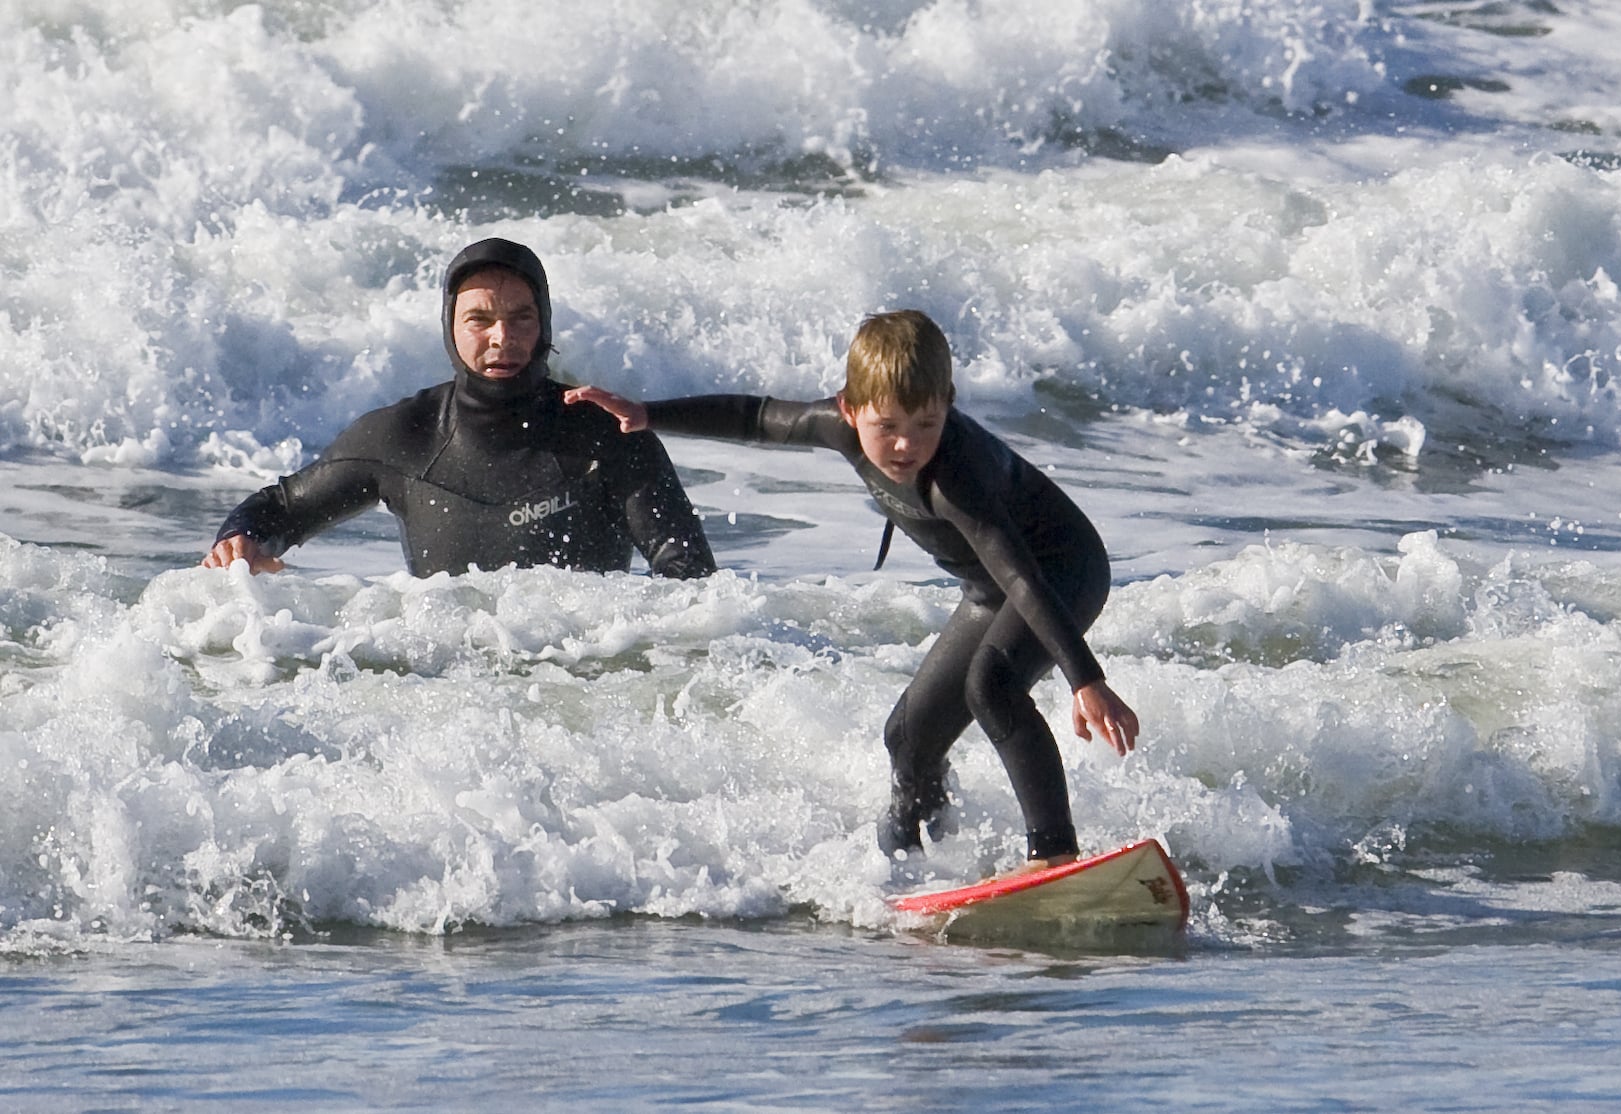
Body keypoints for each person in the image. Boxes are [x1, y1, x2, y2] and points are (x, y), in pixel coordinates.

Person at [566, 310, 1139, 868]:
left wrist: (1085, 680)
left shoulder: (955, 480)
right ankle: (914, 859)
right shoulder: (836, 426)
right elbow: (754, 416)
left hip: (1060, 572)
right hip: (991, 587)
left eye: (926, 426)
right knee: (907, 738)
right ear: (849, 408)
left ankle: (1053, 854)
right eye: (885, 427)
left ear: (948, 406)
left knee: (990, 686)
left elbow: (1022, 576)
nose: (905, 447)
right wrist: (645, 414)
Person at [202, 238, 716, 580]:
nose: (502, 337)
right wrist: (238, 541)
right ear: (450, 325)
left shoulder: (606, 437)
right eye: (479, 319)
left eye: (521, 317)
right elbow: (281, 509)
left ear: (545, 325)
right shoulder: (404, 437)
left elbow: (691, 581)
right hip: (447, 703)